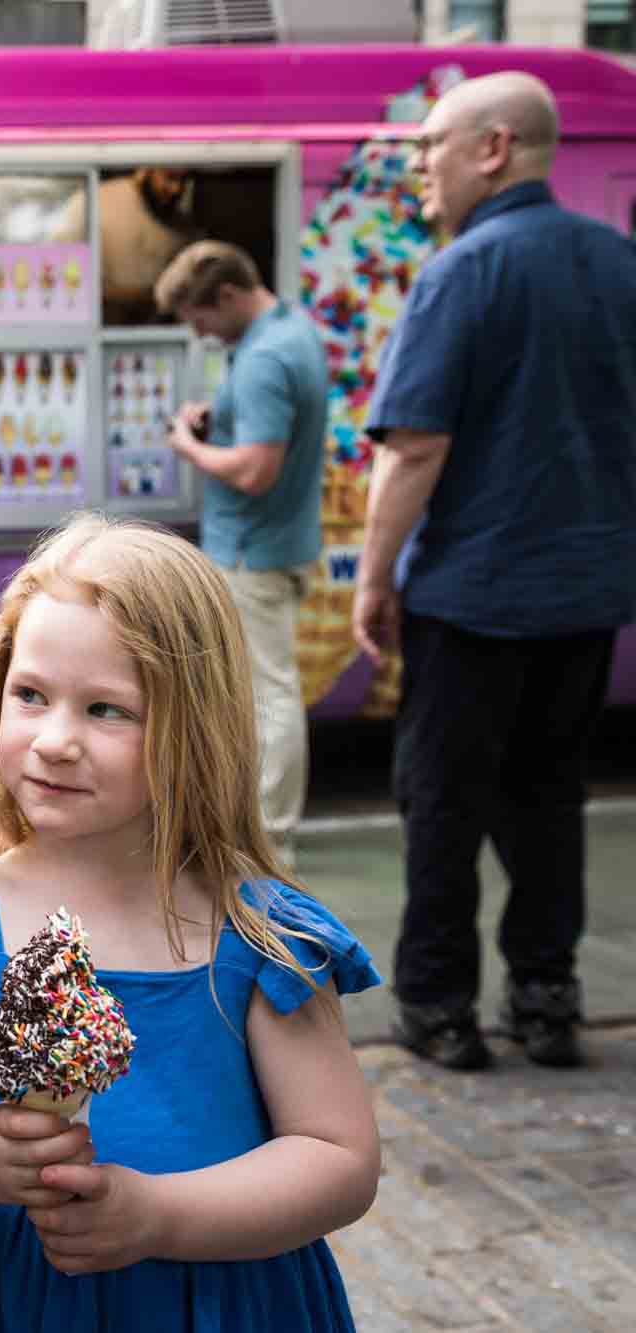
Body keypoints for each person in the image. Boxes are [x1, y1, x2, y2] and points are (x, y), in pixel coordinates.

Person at [0, 514, 381, 1332]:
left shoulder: (258, 935)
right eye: (31, 695)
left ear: (194, 725)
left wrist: (157, 1214)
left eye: (107, 710)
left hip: (230, 1302)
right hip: (30, 1301)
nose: (56, 741)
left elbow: (340, 1159)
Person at [355, 71, 636, 1072]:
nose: (418, 164)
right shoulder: (617, 262)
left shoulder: (460, 272)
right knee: (547, 799)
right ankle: (547, 999)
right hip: (585, 599)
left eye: (431, 143)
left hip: (470, 600)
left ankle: (438, 1008)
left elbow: (413, 446)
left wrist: (372, 579)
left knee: (441, 806)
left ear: (493, 147)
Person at [156, 239, 329, 868]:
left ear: (228, 296)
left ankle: (269, 838)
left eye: (201, 318)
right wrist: (219, 418)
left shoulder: (264, 360)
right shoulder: (289, 331)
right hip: (280, 541)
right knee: (264, 690)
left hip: (254, 550)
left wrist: (188, 445)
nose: (199, 333)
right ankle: (263, 830)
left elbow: (256, 469)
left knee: (268, 695)